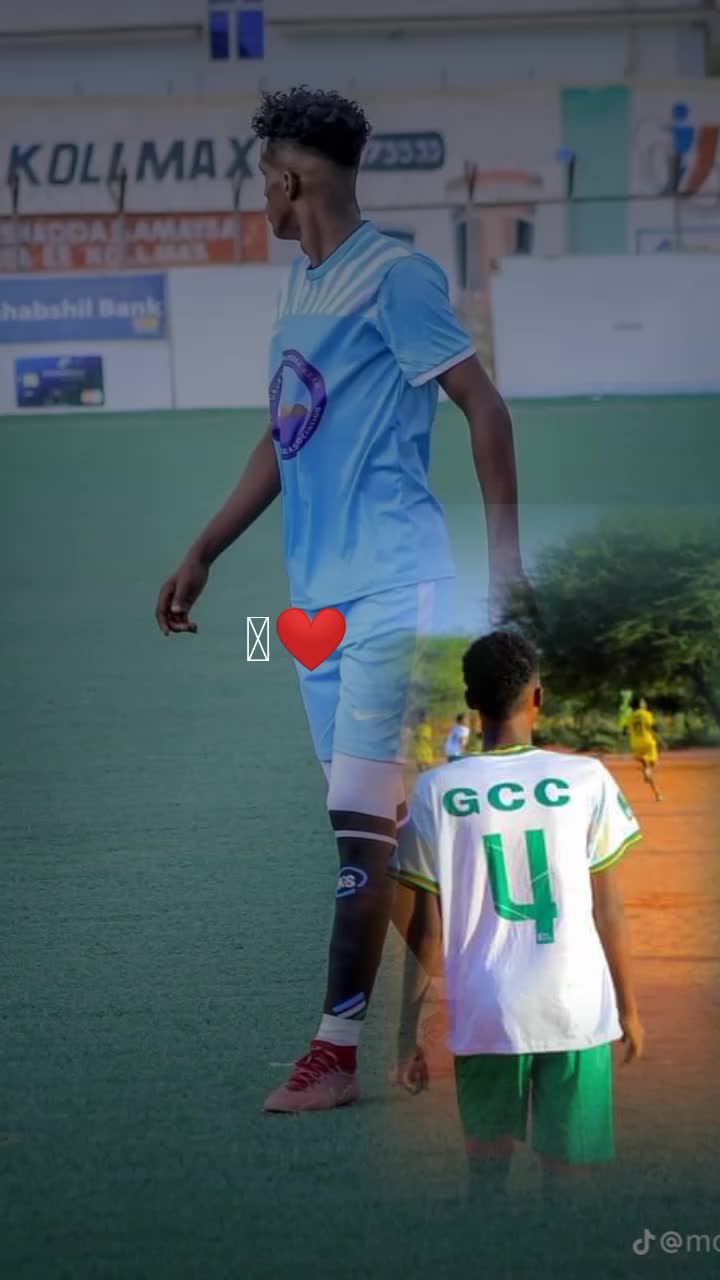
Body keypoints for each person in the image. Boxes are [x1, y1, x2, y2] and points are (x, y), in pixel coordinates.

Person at [154, 86, 526, 1114]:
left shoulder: (397, 277)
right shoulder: (303, 286)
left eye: (262, 180)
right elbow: (286, 432)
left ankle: (335, 1051)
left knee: (362, 838)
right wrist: (206, 547)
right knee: (374, 831)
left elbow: (484, 406)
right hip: (316, 607)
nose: (260, 197)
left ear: (289, 179)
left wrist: (507, 569)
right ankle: (483, 992)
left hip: (394, 588)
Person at [391, 629, 644, 1201]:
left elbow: (426, 930)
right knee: (569, 1184)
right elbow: (609, 907)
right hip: (575, 1005)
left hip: (486, 1009)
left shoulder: (436, 790)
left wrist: (407, 1034)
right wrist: (629, 1009)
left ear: (471, 701)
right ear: (538, 697)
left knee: (488, 1180)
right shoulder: (587, 778)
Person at [627, 696, 663, 802]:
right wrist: (660, 736)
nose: (645, 703)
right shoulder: (646, 714)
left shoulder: (630, 716)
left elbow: (625, 731)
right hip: (648, 742)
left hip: (636, 744)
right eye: (643, 702)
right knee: (653, 763)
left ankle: (657, 794)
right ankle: (647, 768)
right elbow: (653, 727)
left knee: (647, 768)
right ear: (640, 704)